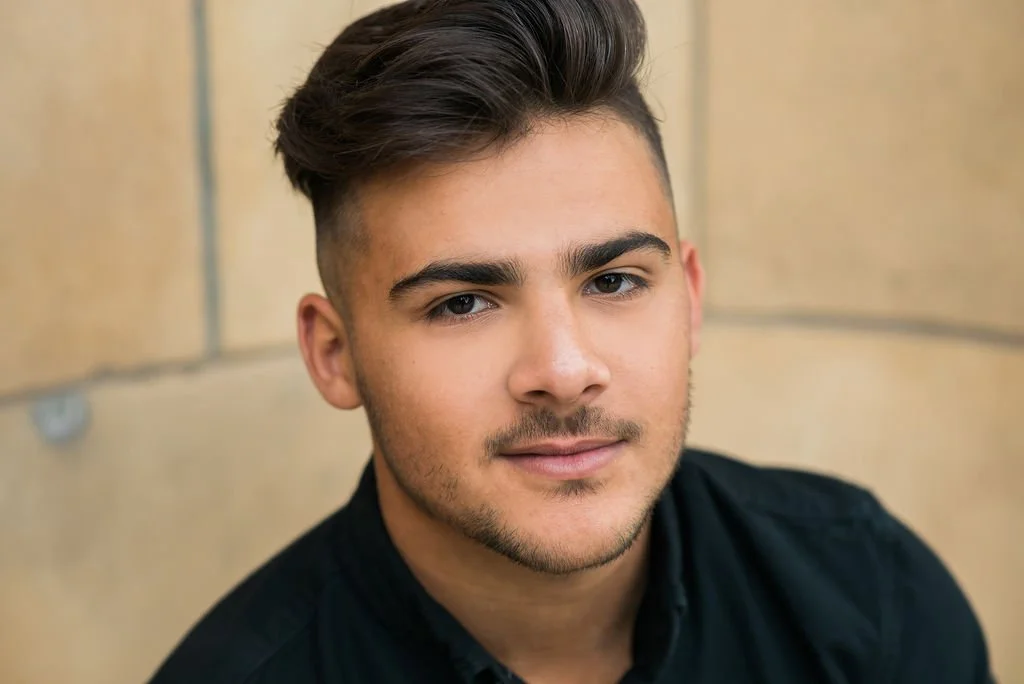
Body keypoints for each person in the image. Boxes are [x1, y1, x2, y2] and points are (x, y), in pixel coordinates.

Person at [150, 1, 993, 682]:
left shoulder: (868, 600)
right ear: (335, 355)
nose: (562, 371)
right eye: (462, 304)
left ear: (689, 300)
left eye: (614, 282)